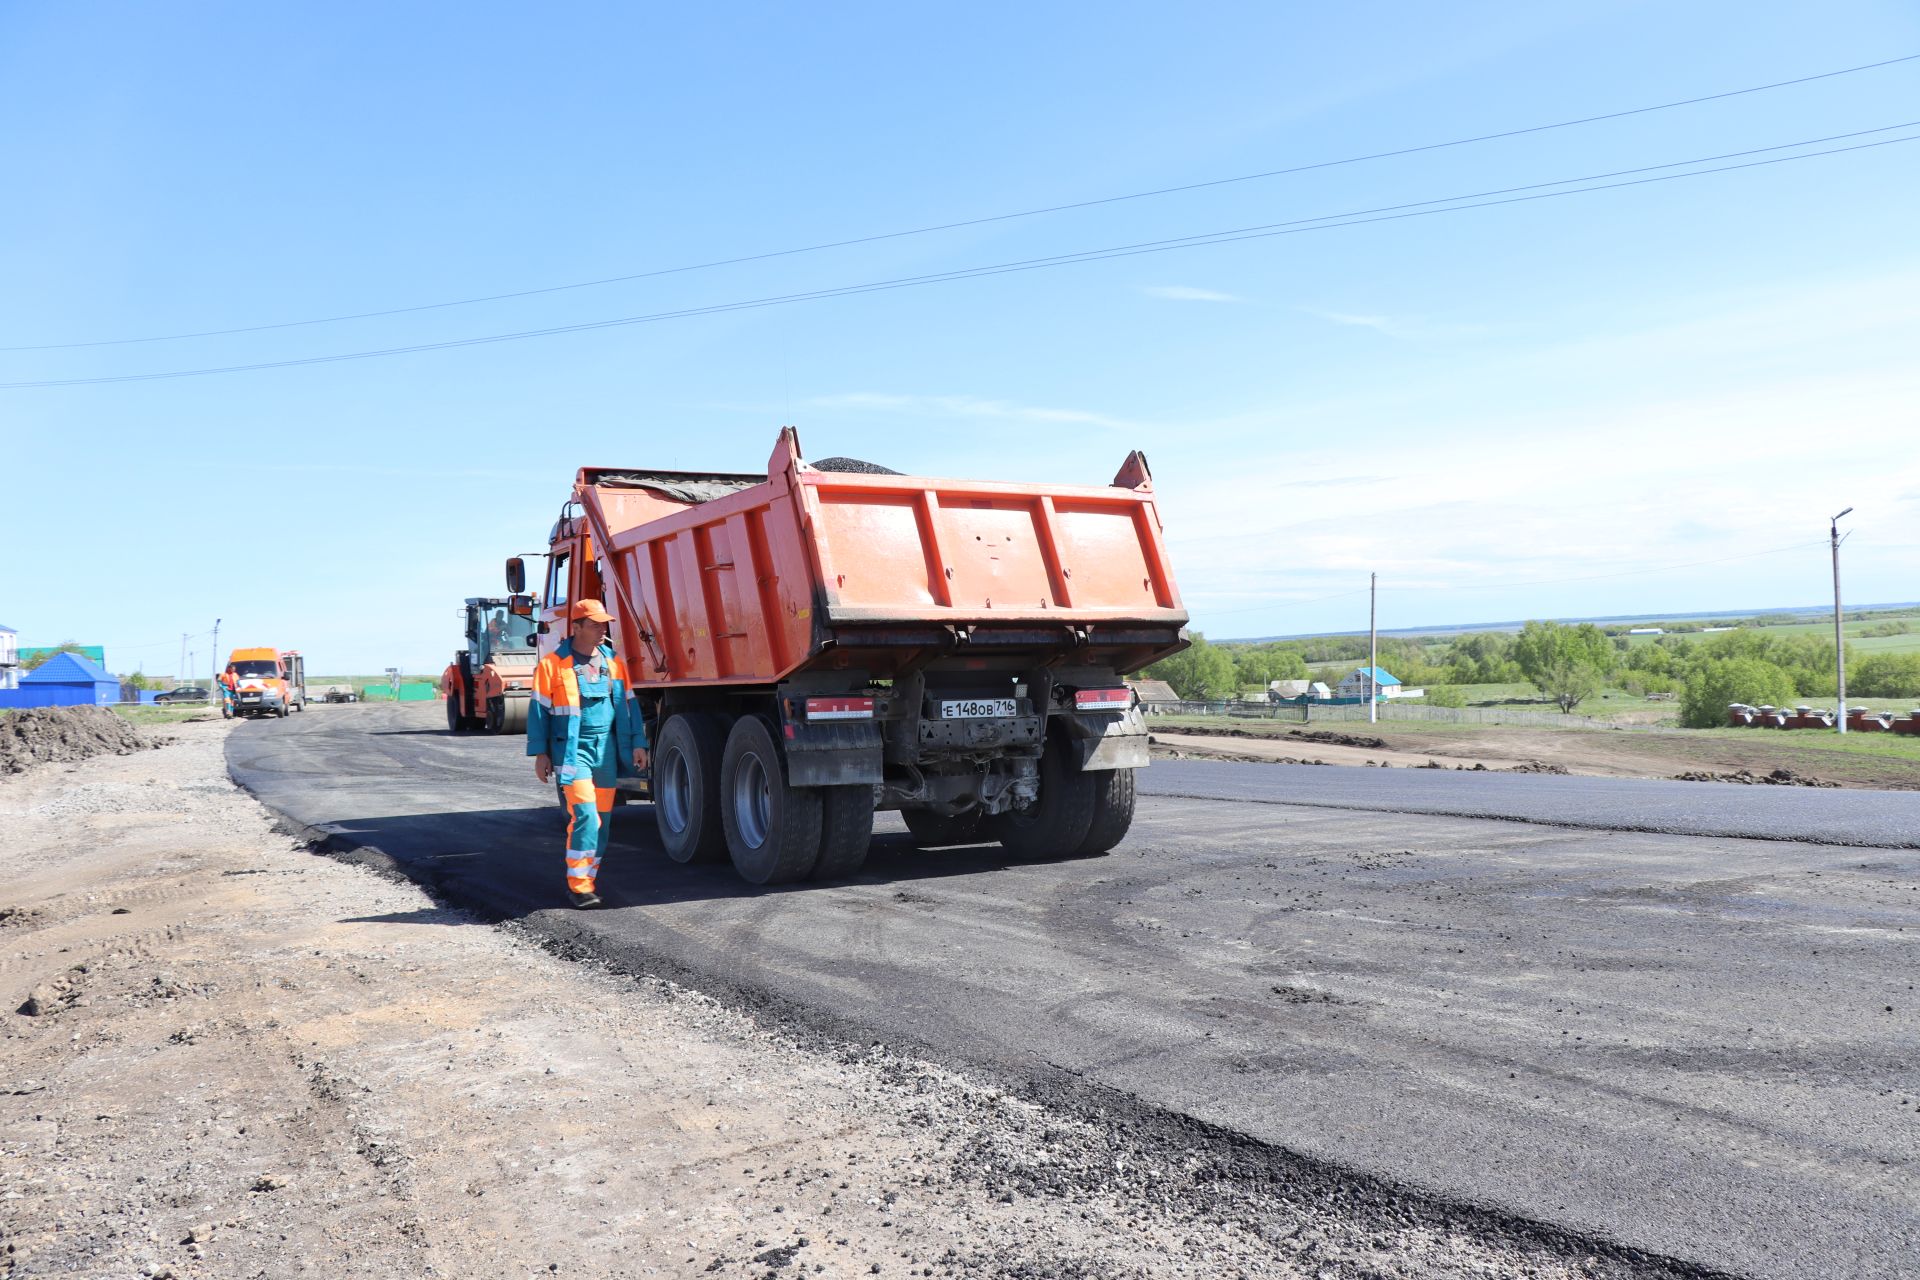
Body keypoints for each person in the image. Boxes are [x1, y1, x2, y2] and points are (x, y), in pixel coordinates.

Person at [528, 599, 649, 908]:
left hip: (605, 752)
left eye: (603, 624)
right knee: (586, 815)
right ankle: (579, 886)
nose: (601, 629)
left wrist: (638, 742)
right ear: (577, 627)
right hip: (572, 753)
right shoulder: (552, 665)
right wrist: (541, 754)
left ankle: (588, 879)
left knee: (603, 822)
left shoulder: (614, 663)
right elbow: (539, 712)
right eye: (594, 624)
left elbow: (629, 705)